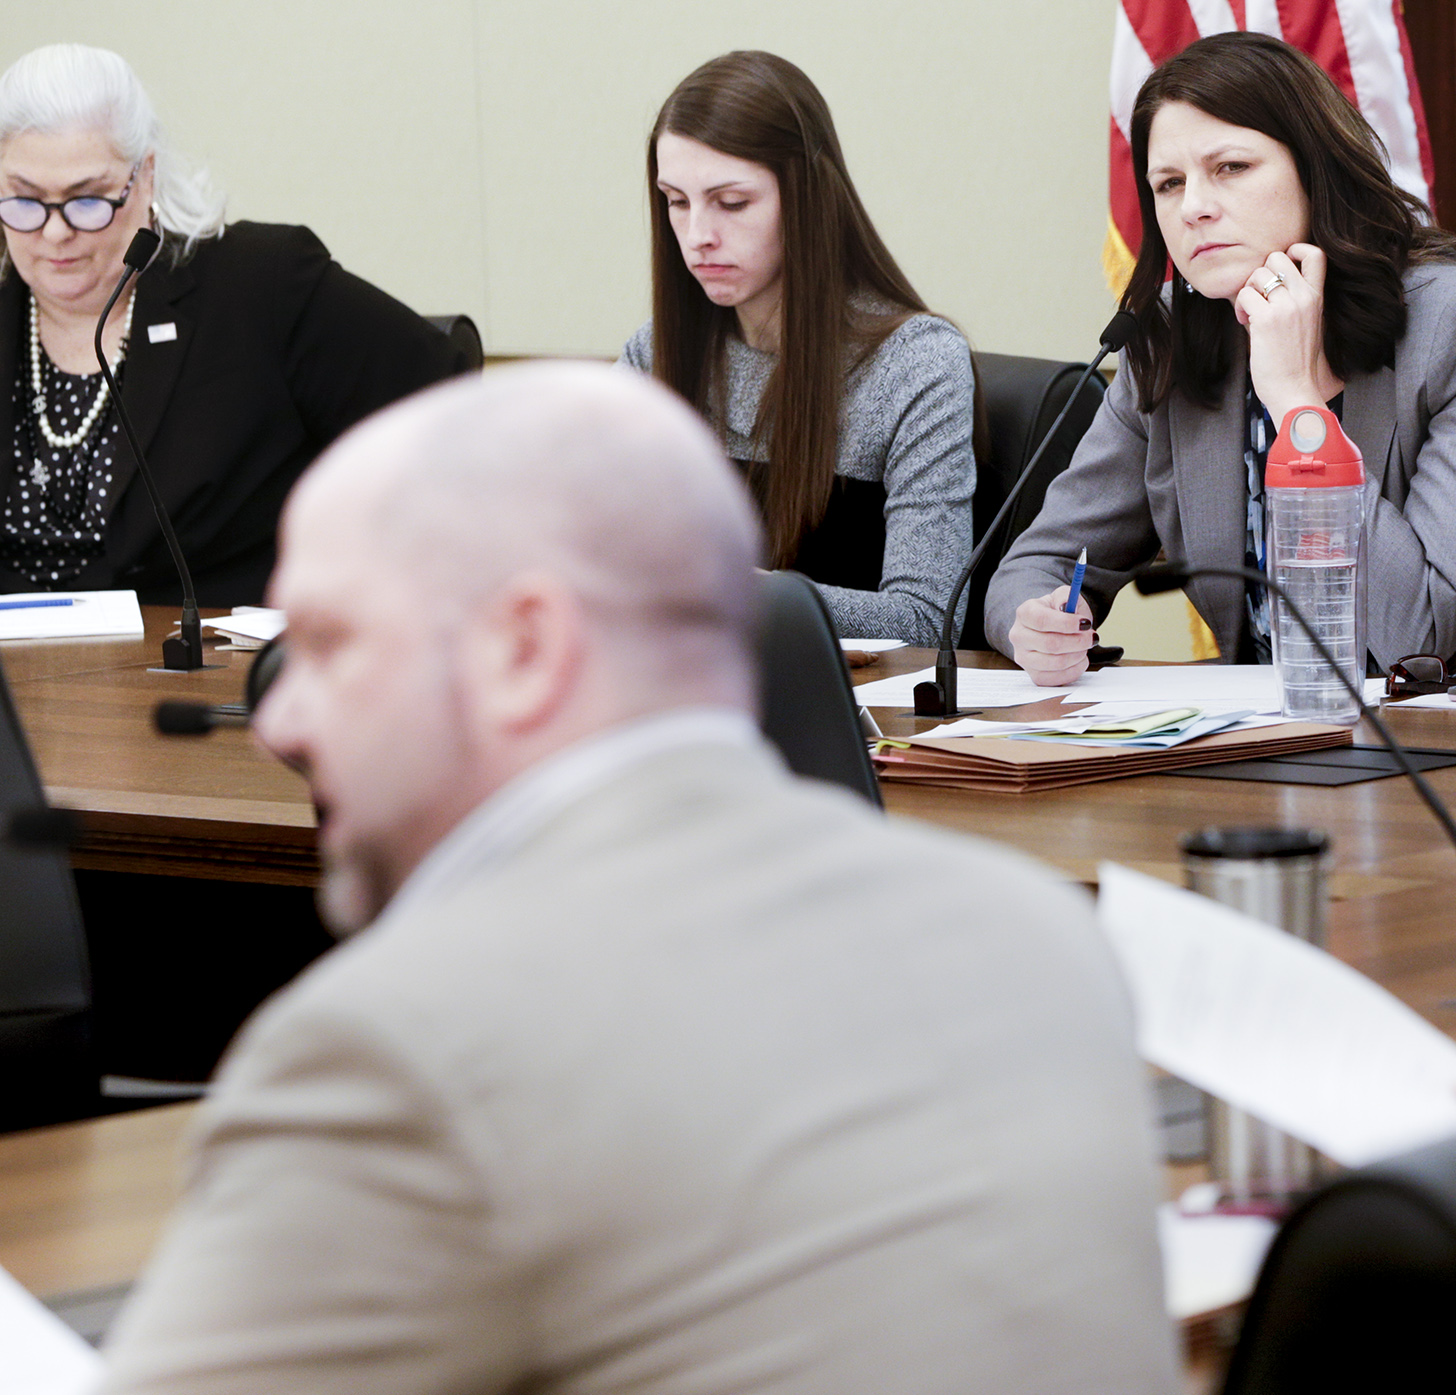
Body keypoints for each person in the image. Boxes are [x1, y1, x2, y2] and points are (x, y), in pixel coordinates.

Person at [94, 361, 1177, 1394]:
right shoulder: (1039, 942)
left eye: (330, 642)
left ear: (525, 649)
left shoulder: (403, 1049)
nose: (278, 718)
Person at [987, 31, 1456, 689]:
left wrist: (1297, 405)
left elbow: (1419, 630)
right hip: (1301, 735)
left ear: (1315, 170)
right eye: (1168, 184)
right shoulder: (1170, 336)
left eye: (1230, 168)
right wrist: (1032, 624)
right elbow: (1035, 564)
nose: (1194, 206)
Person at [0, 44, 469, 606]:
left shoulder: (260, 286)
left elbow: (450, 418)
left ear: (144, 177)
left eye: (87, 200)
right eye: (24, 201)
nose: (54, 233)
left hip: (207, 674)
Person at [621, 51, 974, 647]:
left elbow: (926, 619)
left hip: (856, 722)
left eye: (732, 203)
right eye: (676, 202)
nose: (698, 235)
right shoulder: (652, 354)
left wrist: (740, 591)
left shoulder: (917, 364)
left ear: (808, 197)